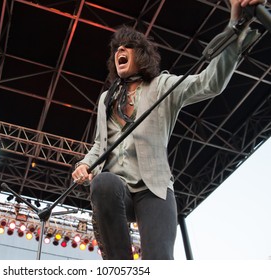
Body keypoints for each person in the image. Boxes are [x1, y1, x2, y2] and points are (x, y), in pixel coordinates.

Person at [72, 0, 264, 260]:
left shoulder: (162, 85)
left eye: (127, 46)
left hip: (155, 190)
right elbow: (100, 144)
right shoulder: (107, 98)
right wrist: (85, 164)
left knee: (160, 260)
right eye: (117, 48)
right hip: (119, 188)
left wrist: (234, 26)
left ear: (140, 55)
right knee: (103, 183)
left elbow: (210, 83)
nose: (120, 50)